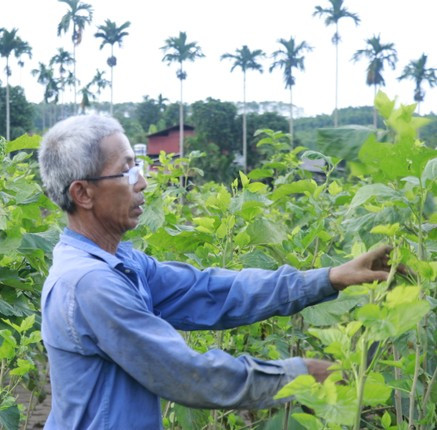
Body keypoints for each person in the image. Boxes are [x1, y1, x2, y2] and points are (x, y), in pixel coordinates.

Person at [37, 114, 392, 429]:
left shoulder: (120, 265)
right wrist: (299, 375)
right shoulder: (91, 284)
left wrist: (329, 277)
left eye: (138, 165)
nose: (142, 182)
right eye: (126, 170)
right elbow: (188, 375)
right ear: (82, 193)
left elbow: (209, 291)